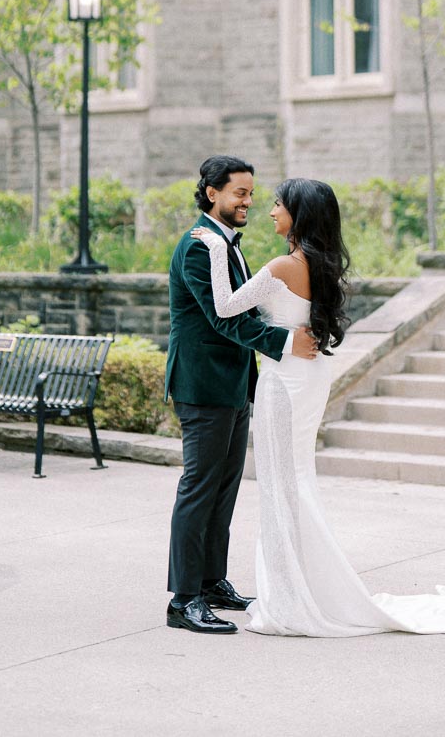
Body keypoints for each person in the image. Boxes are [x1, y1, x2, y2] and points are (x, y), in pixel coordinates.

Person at [191, 176, 445, 637]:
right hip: (306, 375)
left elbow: (226, 306)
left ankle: (294, 599)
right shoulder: (318, 262)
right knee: (295, 479)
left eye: (278, 204)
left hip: (286, 380)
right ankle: (302, 589)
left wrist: (215, 249)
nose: (270, 210)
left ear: (300, 214)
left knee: (280, 485)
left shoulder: (282, 265)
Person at [164, 155, 319, 635]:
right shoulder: (198, 246)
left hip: (233, 384)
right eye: (240, 193)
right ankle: (183, 599)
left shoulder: (227, 244)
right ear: (212, 192)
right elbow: (220, 316)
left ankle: (212, 582)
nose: (249, 202)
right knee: (199, 486)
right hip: (202, 383)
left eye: (252, 193)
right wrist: (283, 342)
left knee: (225, 487)